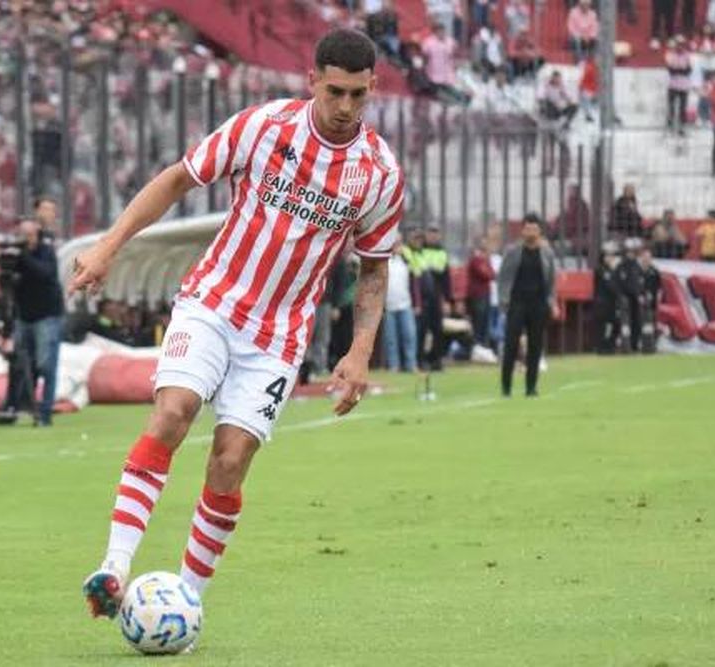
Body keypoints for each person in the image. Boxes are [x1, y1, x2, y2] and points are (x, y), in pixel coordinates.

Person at [74, 29, 403, 623]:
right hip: (213, 302)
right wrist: (109, 247)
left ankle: (185, 603)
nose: (345, 107)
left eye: (358, 95)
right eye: (335, 92)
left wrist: (360, 352)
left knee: (230, 461)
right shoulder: (263, 127)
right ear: (312, 82)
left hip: (279, 336)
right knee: (173, 411)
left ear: (373, 88)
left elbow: (373, 270)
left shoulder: (378, 173)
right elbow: (178, 178)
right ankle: (114, 566)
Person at [0, 218, 65, 426]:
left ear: (37, 233)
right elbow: (3, 277)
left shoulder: (46, 251)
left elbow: (45, 273)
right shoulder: (14, 253)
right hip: (24, 315)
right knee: (20, 363)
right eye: (22, 233)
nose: (24, 238)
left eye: (28, 233)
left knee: (46, 364)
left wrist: (22, 256)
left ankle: (44, 412)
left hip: (47, 315)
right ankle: (16, 407)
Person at [498, 214, 558, 397]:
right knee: (511, 345)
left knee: (535, 347)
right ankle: (506, 387)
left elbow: (551, 280)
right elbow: (503, 278)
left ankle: (531, 387)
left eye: (534, 228)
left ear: (539, 231)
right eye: (527, 228)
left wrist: (552, 302)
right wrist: (504, 301)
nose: (531, 232)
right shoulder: (513, 251)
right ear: (522, 230)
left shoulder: (547, 253)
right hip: (516, 303)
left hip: (538, 304)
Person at [414, 225, 452, 371]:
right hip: (423, 296)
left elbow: (446, 278)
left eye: (435, 234)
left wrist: (448, 300)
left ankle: (436, 359)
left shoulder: (442, 252)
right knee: (422, 330)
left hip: (436, 296)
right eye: (430, 233)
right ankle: (421, 359)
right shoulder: (419, 250)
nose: (433, 237)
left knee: (438, 330)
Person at [382, 240, 419, 372]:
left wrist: (416, 303)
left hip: (405, 304)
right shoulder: (385, 263)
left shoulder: (406, 262)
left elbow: (415, 281)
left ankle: (411, 364)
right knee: (391, 338)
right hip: (389, 305)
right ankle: (394, 365)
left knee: (409, 335)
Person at [466, 235, 496, 348]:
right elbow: (486, 274)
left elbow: (492, 274)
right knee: (478, 322)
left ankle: (483, 346)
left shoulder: (485, 259)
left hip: (486, 294)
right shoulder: (476, 259)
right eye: (485, 243)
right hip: (477, 295)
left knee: (485, 322)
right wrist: (489, 271)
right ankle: (477, 346)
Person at [614, 239, 644, 352]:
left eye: (633, 251)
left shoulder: (637, 266)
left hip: (636, 299)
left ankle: (635, 344)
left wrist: (641, 294)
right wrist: (620, 296)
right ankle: (625, 346)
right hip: (625, 300)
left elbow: (641, 283)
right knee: (625, 324)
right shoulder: (621, 267)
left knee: (637, 322)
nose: (630, 254)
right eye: (628, 251)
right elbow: (616, 283)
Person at [593, 245, 623, 354]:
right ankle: (601, 348)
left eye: (611, 256)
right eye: (607, 256)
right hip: (602, 303)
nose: (609, 258)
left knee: (616, 324)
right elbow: (611, 286)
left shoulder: (615, 270)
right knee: (602, 327)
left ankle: (610, 345)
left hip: (611, 303)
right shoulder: (600, 270)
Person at [666, 37, 693, 134]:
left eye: (681, 44)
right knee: (671, 106)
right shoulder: (670, 55)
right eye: (678, 44)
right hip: (673, 85)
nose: (680, 46)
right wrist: (681, 69)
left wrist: (679, 69)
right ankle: (670, 124)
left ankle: (682, 126)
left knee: (683, 108)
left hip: (684, 86)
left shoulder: (687, 55)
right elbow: (671, 70)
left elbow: (688, 70)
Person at [638, 247, 662, 353]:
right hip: (638, 303)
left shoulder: (655, 272)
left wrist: (656, 298)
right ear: (641, 258)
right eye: (644, 257)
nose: (646, 259)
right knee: (638, 324)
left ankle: (651, 346)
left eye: (648, 257)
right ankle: (638, 345)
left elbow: (659, 288)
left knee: (651, 325)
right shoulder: (636, 271)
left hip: (651, 304)